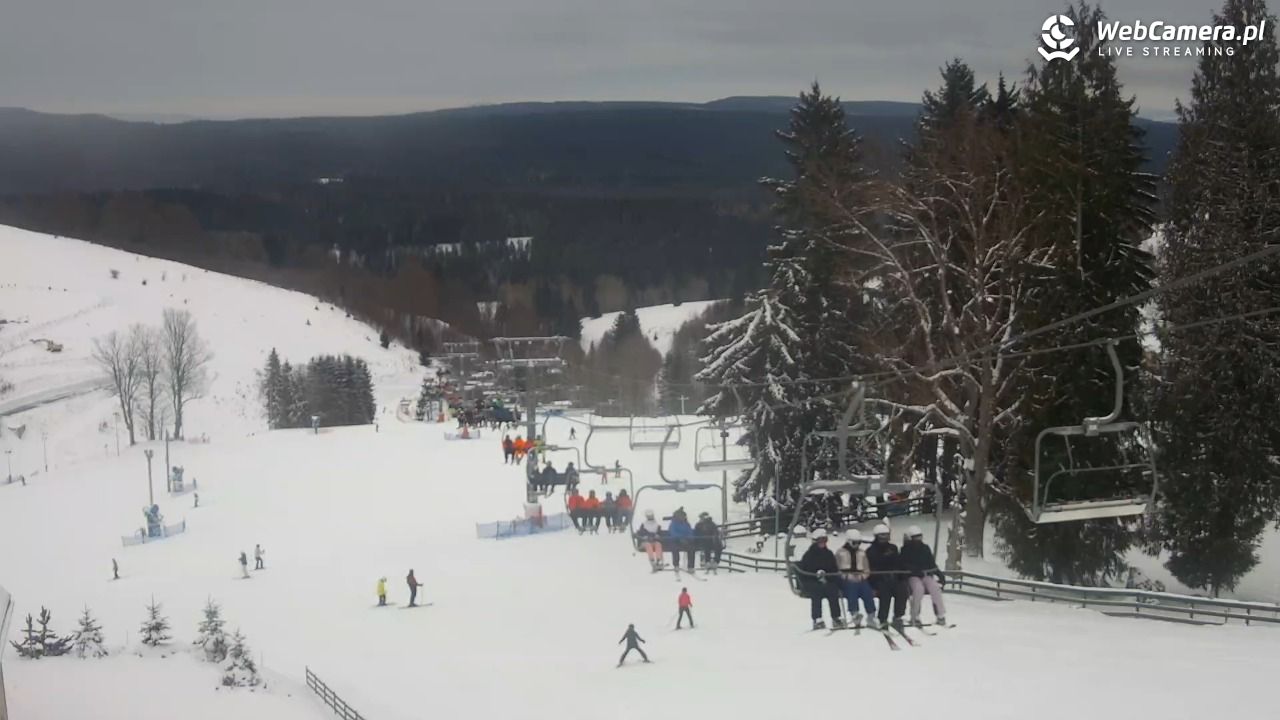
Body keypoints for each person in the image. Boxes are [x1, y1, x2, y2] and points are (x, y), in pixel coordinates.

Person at [866, 523, 910, 629]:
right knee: (885, 592)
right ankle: (883, 618)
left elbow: (899, 563)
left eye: (886, 535)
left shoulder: (893, 548)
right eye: (882, 536)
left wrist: (902, 576)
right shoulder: (871, 551)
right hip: (879, 579)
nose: (884, 538)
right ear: (876, 536)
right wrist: (873, 584)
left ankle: (898, 616)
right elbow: (870, 568)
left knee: (902, 590)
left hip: (894, 577)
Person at [901, 525, 946, 627]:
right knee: (918, 589)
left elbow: (931, 563)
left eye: (919, 537)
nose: (918, 539)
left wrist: (939, 574)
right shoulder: (905, 550)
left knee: (935, 587)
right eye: (915, 537)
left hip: (926, 575)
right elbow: (903, 564)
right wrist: (914, 571)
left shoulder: (925, 548)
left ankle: (940, 615)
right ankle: (915, 616)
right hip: (912, 576)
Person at [798, 528, 843, 629]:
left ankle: (836, 617)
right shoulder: (809, 555)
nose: (823, 543)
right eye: (820, 541)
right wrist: (815, 576)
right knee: (816, 591)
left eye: (824, 541)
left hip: (826, 580)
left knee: (832, 590)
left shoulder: (829, 554)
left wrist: (829, 577)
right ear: (815, 542)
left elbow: (833, 569)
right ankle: (817, 618)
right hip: (812, 581)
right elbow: (804, 571)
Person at [836, 529, 877, 628]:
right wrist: (846, 576)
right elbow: (836, 568)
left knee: (867, 591)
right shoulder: (840, 552)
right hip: (846, 579)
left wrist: (863, 576)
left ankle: (871, 616)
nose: (857, 545)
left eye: (859, 543)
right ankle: (855, 614)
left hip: (860, 577)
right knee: (852, 589)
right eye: (854, 543)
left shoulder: (862, 553)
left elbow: (867, 568)